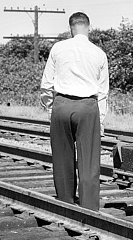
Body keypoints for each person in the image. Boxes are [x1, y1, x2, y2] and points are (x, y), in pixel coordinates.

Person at [40, 12, 109, 212]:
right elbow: (103, 92)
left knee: (62, 159)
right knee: (89, 161)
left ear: (70, 28)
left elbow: (46, 85)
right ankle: (88, 207)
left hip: (61, 105)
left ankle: (65, 202)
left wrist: (51, 108)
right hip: (88, 107)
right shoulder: (99, 53)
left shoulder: (58, 48)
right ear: (89, 27)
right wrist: (101, 121)